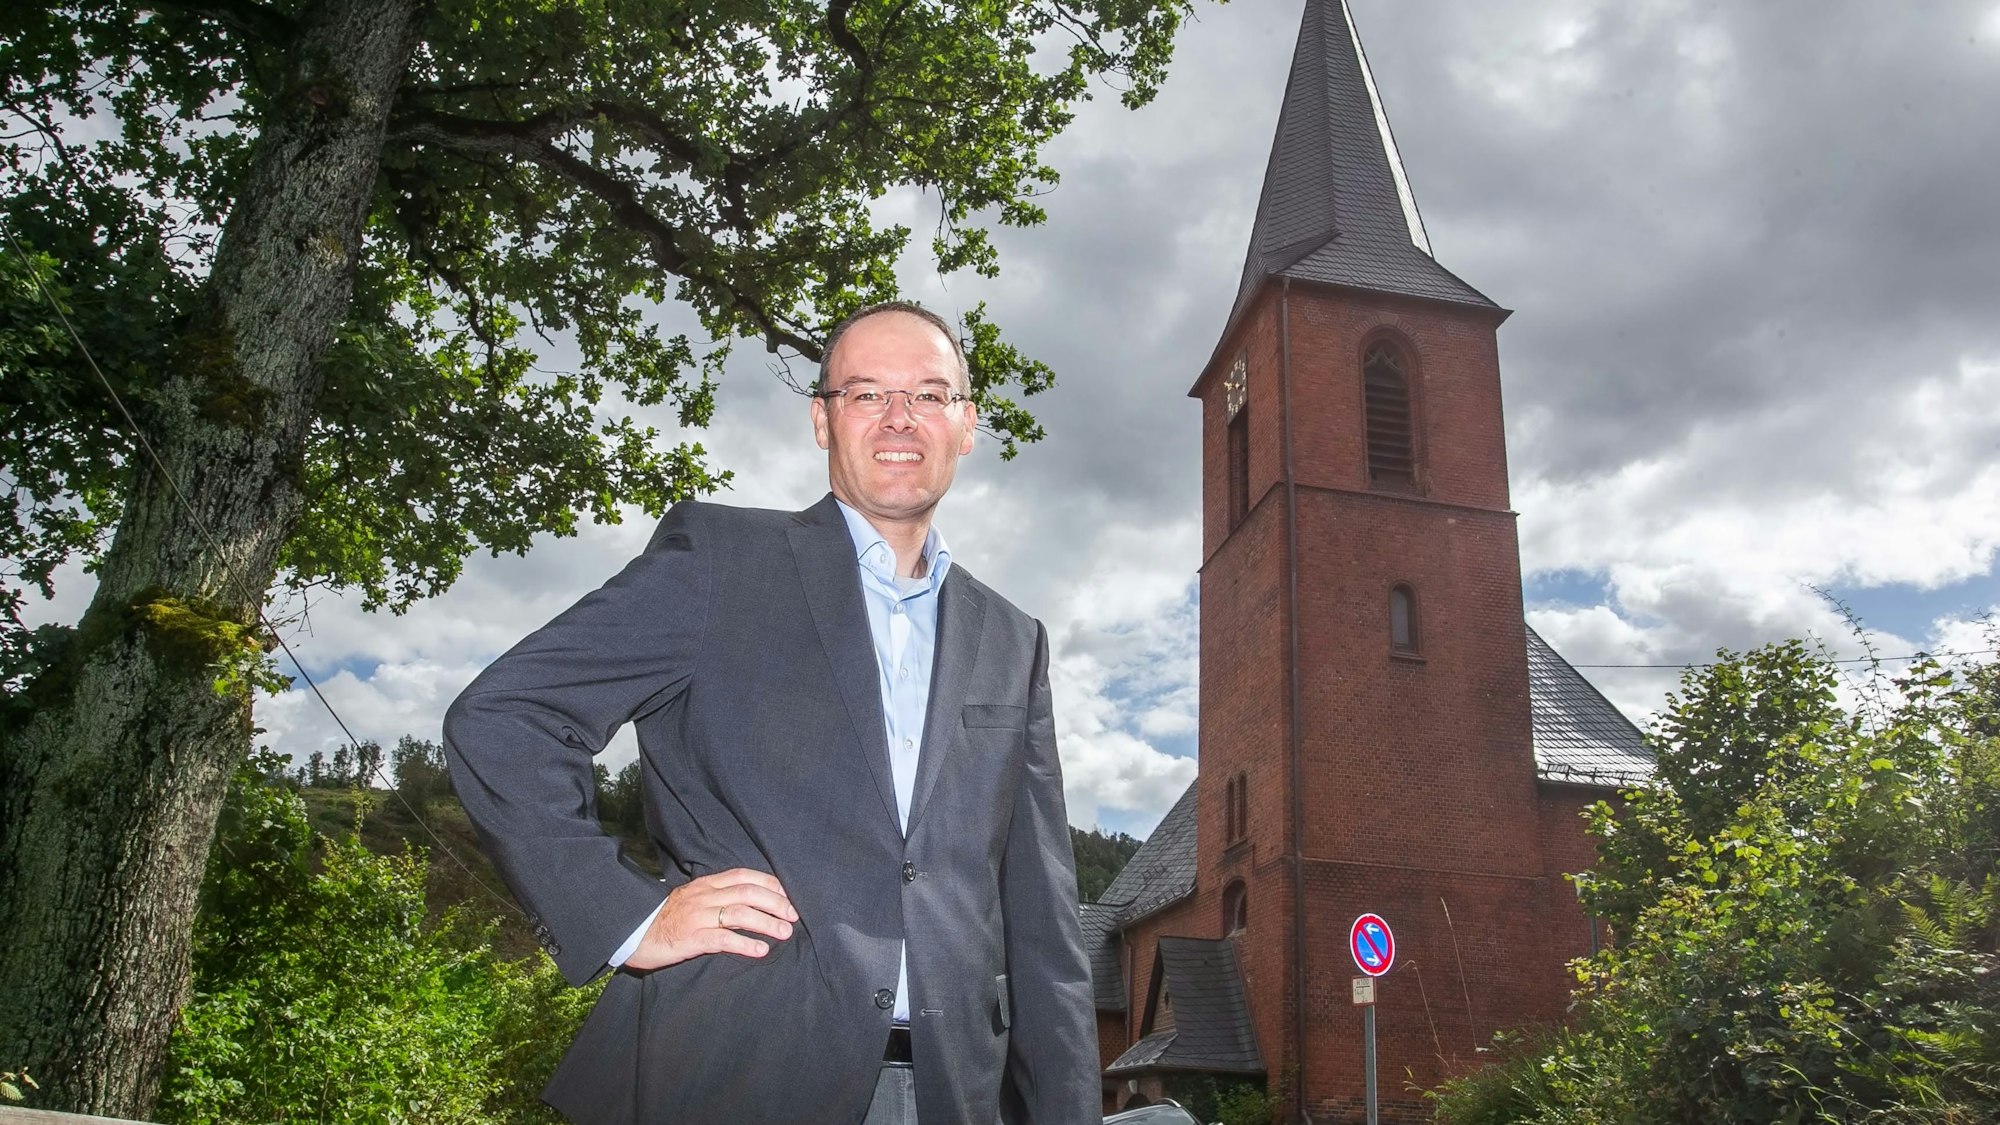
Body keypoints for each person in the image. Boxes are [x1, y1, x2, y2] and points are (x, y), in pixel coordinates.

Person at [443, 301, 1097, 1125]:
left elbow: (1041, 915)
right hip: (735, 1070)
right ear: (822, 420)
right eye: (866, 393)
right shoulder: (720, 561)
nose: (901, 417)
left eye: (930, 395)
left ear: (966, 425)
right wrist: (628, 914)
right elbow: (505, 718)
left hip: (955, 1093)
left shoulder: (1014, 637)